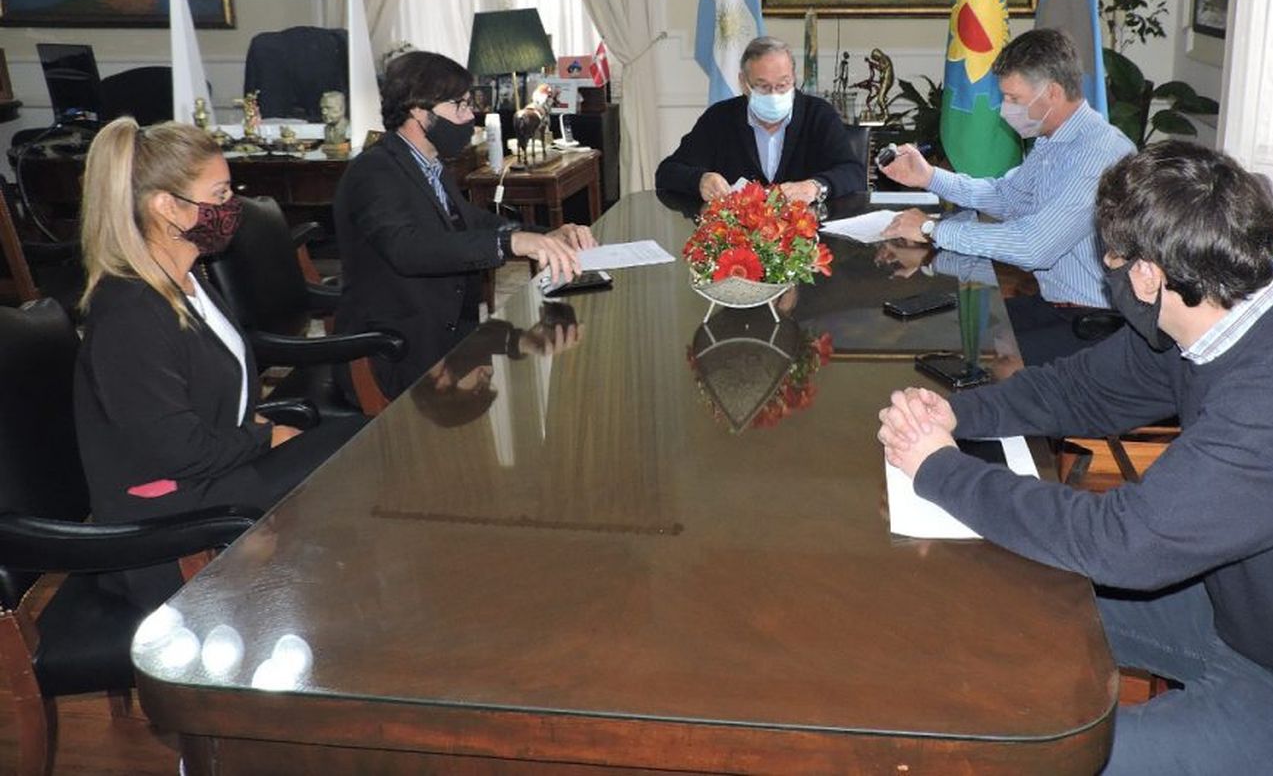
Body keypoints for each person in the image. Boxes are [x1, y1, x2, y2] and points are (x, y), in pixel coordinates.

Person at [877, 142, 1273, 775]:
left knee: (1062, 763)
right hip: (1251, 614)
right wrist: (959, 417)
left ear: (1145, 276)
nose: (1107, 272)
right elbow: (1085, 389)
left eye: (1110, 259)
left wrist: (941, 469)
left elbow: (1120, 543)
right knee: (1005, 590)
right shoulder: (1226, 306)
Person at [74, 118, 362, 609]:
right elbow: (177, 450)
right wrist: (263, 436)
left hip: (208, 481)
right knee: (350, 466)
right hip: (168, 521)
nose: (233, 207)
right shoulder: (129, 312)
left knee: (359, 442)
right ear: (168, 207)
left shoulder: (186, 278)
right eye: (221, 193)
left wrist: (254, 428)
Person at [333, 50, 595, 401]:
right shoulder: (374, 171)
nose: (471, 116)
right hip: (394, 353)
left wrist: (542, 235)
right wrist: (511, 245)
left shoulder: (430, 166)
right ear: (418, 112)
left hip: (446, 336)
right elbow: (407, 250)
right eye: (460, 105)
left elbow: (474, 222)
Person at [879, 28, 1134, 363]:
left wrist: (932, 230)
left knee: (987, 363)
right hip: (1054, 303)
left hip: (1094, 321)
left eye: (1013, 99)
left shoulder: (1098, 155)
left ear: (1053, 93)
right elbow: (1007, 197)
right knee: (951, 333)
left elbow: (1034, 247)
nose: (1004, 110)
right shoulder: (1053, 139)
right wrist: (928, 177)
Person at [656, 36, 864, 204]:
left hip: (806, 240)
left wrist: (815, 187)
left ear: (794, 78)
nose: (774, 94)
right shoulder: (720, 119)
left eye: (783, 85)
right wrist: (700, 180)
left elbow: (853, 173)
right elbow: (668, 172)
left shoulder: (818, 114)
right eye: (763, 86)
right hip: (739, 242)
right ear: (744, 83)